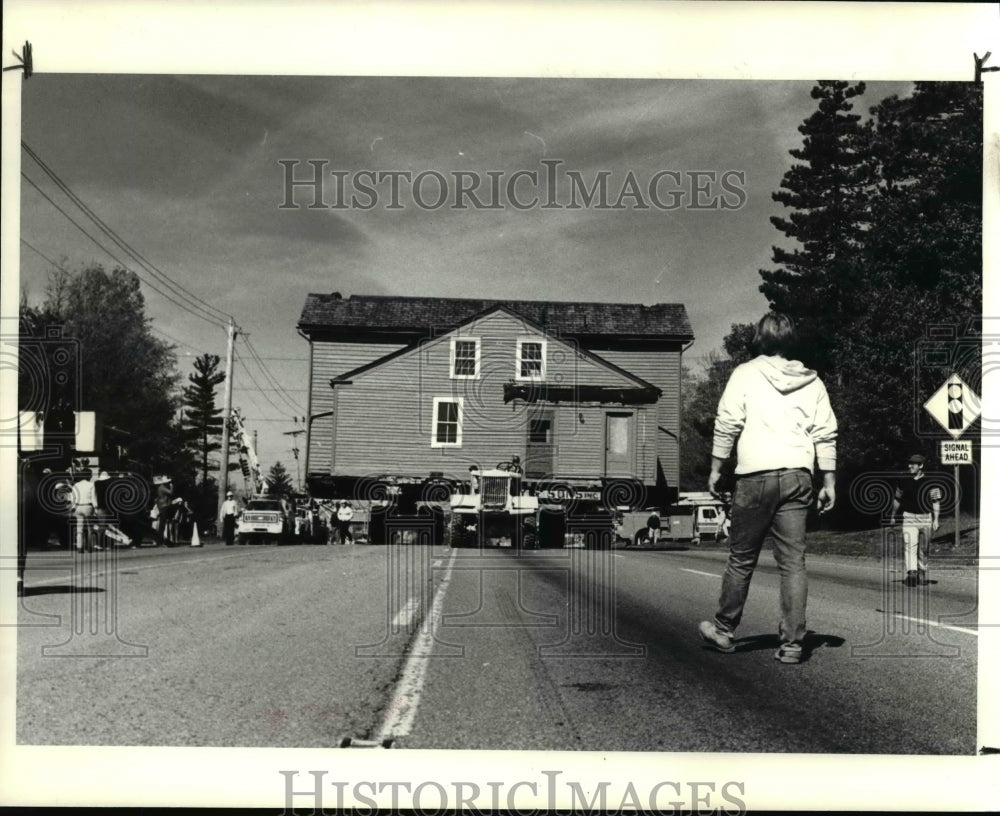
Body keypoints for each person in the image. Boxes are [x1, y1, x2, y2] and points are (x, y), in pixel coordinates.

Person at [699, 312, 838, 665]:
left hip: (755, 476)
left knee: (742, 558)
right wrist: (829, 481)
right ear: (791, 340)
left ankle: (724, 630)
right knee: (793, 563)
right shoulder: (813, 382)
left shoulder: (745, 374)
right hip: (797, 475)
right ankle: (793, 644)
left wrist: (717, 468)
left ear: (760, 338)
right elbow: (825, 433)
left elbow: (728, 422)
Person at [892, 454, 941, 587]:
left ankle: (922, 571)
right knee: (910, 545)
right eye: (909, 463)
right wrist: (892, 515)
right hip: (909, 517)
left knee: (924, 549)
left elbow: (936, 501)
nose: (910, 466)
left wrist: (936, 519)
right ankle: (912, 572)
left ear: (921, 466)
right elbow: (897, 499)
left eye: (913, 464)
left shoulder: (931, 481)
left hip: (925, 518)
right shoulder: (903, 480)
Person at [71, 468, 96, 552]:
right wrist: (95, 508)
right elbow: (93, 498)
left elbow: (73, 498)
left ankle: (79, 547)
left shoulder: (76, 485)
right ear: (89, 475)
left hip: (78, 507)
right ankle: (90, 547)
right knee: (90, 528)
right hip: (88, 507)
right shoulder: (91, 485)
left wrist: (73, 507)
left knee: (79, 528)